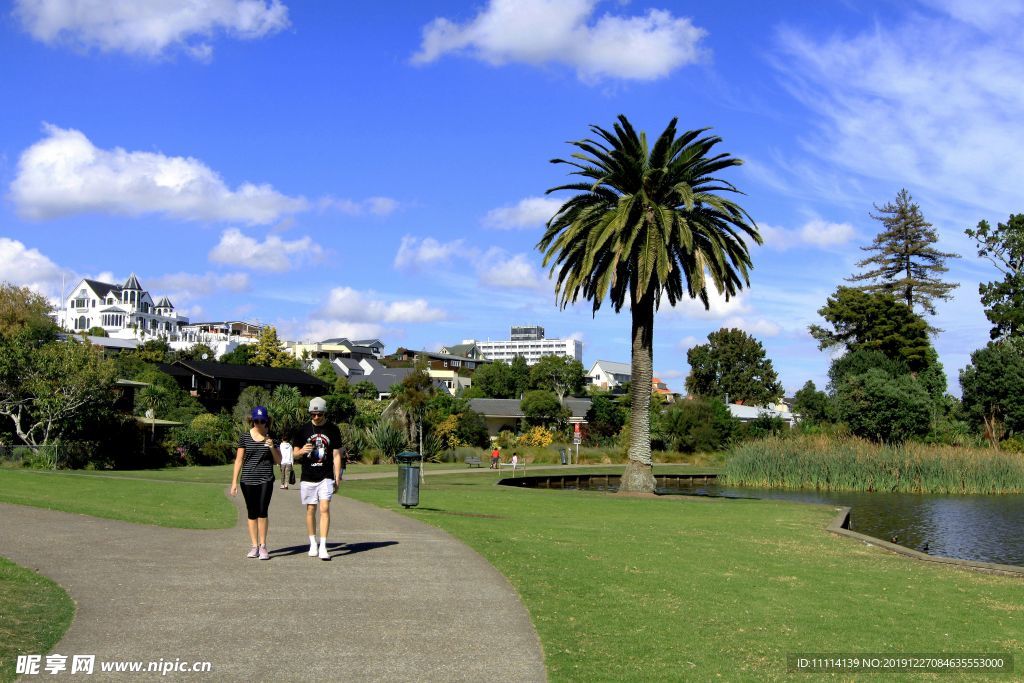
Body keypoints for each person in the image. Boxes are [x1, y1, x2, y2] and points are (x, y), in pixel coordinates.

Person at [292, 397, 343, 561]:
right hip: (308, 475)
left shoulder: (333, 430)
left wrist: (338, 477)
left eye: (319, 414)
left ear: (324, 413)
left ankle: (323, 546)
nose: (315, 417)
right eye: (312, 414)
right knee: (310, 510)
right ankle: (312, 542)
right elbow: (293, 453)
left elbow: (336, 455)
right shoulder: (303, 430)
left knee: (325, 508)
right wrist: (300, 452)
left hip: (326, 475)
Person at [230, 406, 281, 560]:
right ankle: (254, 546)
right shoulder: (244, 437)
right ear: (252, 420)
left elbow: (279, 461)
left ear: (267, 421)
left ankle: (263, 546)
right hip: (247, 480)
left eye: (261, 421)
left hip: (265, 478)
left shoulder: (272, 437)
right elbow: (239, 460)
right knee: (252, 512)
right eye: (255, 421)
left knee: (262, 511)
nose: (258, 424)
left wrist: (272, 447)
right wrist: (234, 482)